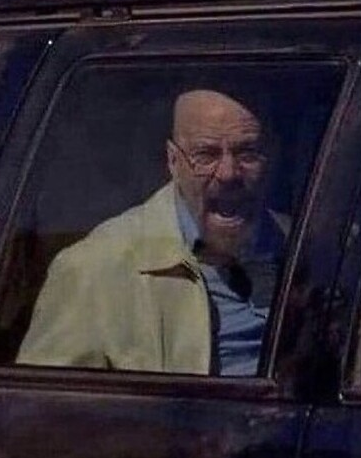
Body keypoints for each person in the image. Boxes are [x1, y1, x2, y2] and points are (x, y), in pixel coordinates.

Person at [16, 89, 288, 375]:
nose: (228, 173)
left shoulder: (303, 245)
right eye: (206, 155)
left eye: (247, 153)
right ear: (173, 161)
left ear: (271, 156)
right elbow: (44, 399)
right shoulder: (96, 268)